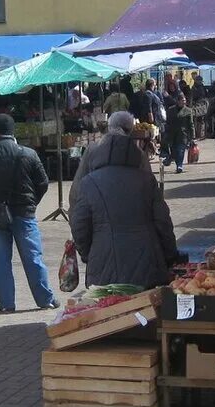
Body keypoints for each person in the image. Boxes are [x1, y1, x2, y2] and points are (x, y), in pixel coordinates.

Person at [70, 112, 181, 290]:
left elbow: (79, 225)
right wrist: (170, 255)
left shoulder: (88, 183)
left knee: (109, 315)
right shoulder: (146, 180)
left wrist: (89, 254)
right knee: (147, 313)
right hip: (148, 265)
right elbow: (163, 222)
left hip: (103, 268)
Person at [0, 114, 58, 313]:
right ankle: (45, 299)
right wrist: (32, 202)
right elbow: (43, 182)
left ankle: (6, 304)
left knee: (0, 260)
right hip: (24, 211)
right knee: (33, 257)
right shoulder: (28, 154)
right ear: (13, 132)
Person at [162, 93, 194, 173]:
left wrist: (192, 136)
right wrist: (166, 132)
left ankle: (179, 165)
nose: (184, 102)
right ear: (178, 101)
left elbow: (191, 124)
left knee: (181, 150)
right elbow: (167, 122)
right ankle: (175, 161)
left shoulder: (188, 111)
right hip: (172, 134)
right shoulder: (170, 110)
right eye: (182, 100)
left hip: (183, 134)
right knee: (174, 150)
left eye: (185, 100)